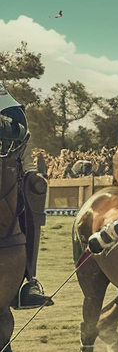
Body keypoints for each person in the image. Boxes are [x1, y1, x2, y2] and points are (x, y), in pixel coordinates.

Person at [0, 81, 52, 310]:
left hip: (9, 161)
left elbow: (18, 126)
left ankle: (29, 283)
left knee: (35, 187)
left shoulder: (5, 96)